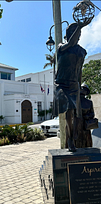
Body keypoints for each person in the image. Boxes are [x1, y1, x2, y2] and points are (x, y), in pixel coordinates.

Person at [53, 19, 92, 152]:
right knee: (68, 110)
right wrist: (80, 25)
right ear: (68, 34)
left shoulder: (82, 51)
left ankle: (73, 136)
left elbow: (79, 70)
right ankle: (69, 140)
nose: (77, 36)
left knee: (76, 113)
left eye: (79, 33)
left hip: (74, 84)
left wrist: (80, 85)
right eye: (75, 33)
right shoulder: (61, 47)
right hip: (62, 84)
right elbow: (71, 43)